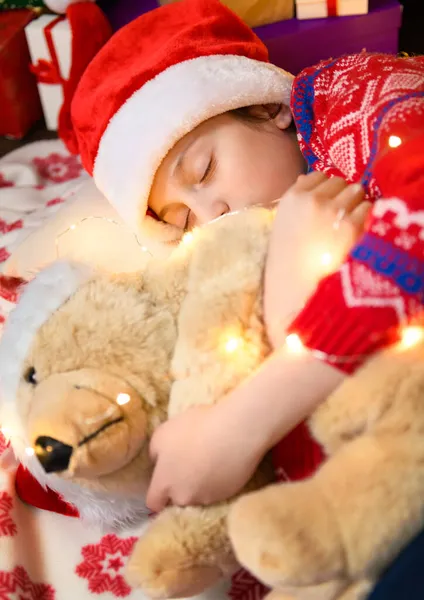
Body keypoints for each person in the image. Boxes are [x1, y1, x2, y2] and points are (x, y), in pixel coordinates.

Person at [67, 0, 424, 516]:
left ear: (267, 107)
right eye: (183, 221)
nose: (213, 215)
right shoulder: (261, 238)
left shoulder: (358, 93)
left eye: (205, 169)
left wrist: (239, 423)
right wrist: (288, 292)